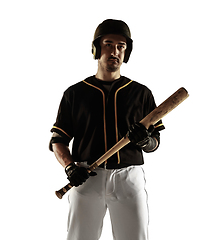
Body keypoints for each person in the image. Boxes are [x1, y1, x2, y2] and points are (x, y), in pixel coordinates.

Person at [49, 19, 165, 240]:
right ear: (96, 48)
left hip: (128, 176)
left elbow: (155, 142)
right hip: (86, 176)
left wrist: (144, 141)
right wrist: (70, 167)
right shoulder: (75, 93)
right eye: (109, 44)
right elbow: (58, 139)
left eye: (121, 46)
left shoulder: (141, 93)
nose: (115, 51)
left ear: (127, 52)